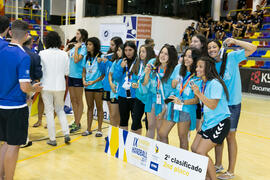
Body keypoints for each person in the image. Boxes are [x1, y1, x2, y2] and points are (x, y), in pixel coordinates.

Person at [207, 38, 256, 180]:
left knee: (230, 137)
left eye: (214, 47)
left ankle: (231, 171)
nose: (211, 50)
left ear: (219, 47)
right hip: (219, 105)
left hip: (233, 104)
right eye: (209, 48)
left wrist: (235, 41)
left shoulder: (231, 57)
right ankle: (218, 165)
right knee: (218, 136)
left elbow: (252, 48)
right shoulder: (210, 65)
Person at [0, 20, 43, 180]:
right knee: (13, 145)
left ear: (10, 33)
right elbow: (25, 87)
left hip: (1, 105)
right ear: (26, 36)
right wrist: (35, 88)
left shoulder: (1, 50)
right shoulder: (23, 56)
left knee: (4, 143)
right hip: (15, 107)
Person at [191, 56, 231, 180]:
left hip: (220, 123)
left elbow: (213, 105)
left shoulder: (215, 83)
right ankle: (207, 177)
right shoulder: (203, 83)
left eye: (200, 66)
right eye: (197, 66)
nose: (197, 69)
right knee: (194, 148)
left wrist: (198, 94)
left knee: (201, 152)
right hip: (208, 122)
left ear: (207, 68)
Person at [159, 47, 200, 149]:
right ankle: (165, 156)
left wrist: (182, 102)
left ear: (195, 59)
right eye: (185, 55)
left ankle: (182, 163)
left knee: (182, 138)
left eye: (190, 57)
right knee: (162, 133)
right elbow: (173, 86)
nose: (186, 58)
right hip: (173, 105)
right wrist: (175, 82)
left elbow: (196, 99)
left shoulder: (197, 75)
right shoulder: (178, 68)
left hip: (186, 109)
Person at [40, 31, 70, 146]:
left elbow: (40, 70)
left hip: (46, 85)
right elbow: (67, 72)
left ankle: (52, 139)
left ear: (46, 41)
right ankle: (66, 133)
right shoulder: (64, 54)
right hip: (60, 86)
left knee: (49, 111)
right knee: (60, 110)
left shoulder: (42, 53)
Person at [141, 44, 178, 139]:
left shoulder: (173, 71)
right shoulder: (153, 65)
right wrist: (147, 74)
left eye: (166, 54)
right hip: (152, 99)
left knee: (160, 130)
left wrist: (164, 109)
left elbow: (173, 93)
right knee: (150, 126)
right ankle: (148, 151)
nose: (163, 55)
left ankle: (158, 153)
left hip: (164, 103)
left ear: (171, 57)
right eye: (162, 52)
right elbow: (145, 83)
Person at [112, 41, 139, 132]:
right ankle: (123, 142)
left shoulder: (139, 62)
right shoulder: (121, 61)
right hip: (122, 95)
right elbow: (116, 78)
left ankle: (133, 144)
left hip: (135, 96)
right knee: (123, 120)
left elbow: (140, 77)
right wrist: (120, 67)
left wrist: (134, 83)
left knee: (136, 122)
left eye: (130, 50)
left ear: (134, 50)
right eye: (126, 50)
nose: (128, 52)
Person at [21, 35, 43, 148]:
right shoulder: (34, 56)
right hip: (29, 87)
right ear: (31, 43)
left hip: (13, 87)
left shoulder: (14, 52)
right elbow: (39, 74)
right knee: (26, 114)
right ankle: (23, 139)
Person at [66, 29, 88, 133]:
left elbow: (76, 60)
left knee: (79, 100)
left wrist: (76, 49)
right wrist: (69, 46)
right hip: (71, 76)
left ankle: (78, 123)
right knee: (73, 100)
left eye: (78, 33)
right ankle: (76, 121)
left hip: (78, 77)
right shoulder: (75, 46)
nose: (76, 35)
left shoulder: (83, 48)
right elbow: (65, 54)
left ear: (82, 35)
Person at [82, 37, 104, 137]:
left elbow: (103, 74)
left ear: (95, 46)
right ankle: (88, 129)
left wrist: (93, 82)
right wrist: (83, 80)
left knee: (99, 108)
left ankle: (99, 129)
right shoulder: (86, 57)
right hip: (88, 87)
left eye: (90, 44)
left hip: (98, 87)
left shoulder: (101, 57)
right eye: (87, 44)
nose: (87, 46)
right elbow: (84, 71)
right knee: (90, 107)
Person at [131, 45, 156, 135]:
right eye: (140, 51)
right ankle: (135, 142)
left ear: (149, 53)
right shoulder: (138, 63)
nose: (141, 53)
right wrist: (133, 83)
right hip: (139, 97)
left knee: (149, 124)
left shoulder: (153, 66)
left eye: (143, 51)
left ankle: (147, 144)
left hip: (149, 98)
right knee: (135, 121)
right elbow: (134, 77)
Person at [102, 37, 123, 127]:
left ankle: (116, 132)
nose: (111, 46)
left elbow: (115, 72)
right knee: (111, 113)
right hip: (107, 85)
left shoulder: (119, 59)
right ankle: (112, 133)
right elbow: (106, 72)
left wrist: (107, 62)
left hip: (115, 88)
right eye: (110, 44)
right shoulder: (108, 54)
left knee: (115, 113)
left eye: (113, 45)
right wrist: (101, 63)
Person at [108, 44, 124, 127]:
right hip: (114, 91)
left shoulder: (127, 63)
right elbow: (110, 74)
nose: (117, 52)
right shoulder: (116, 61)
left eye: (119, 50)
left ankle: (118, 135)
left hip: (123, 92)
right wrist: (111, 83)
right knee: (113, 114)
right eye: (117, 50)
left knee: (121, 115)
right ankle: (112, 135)